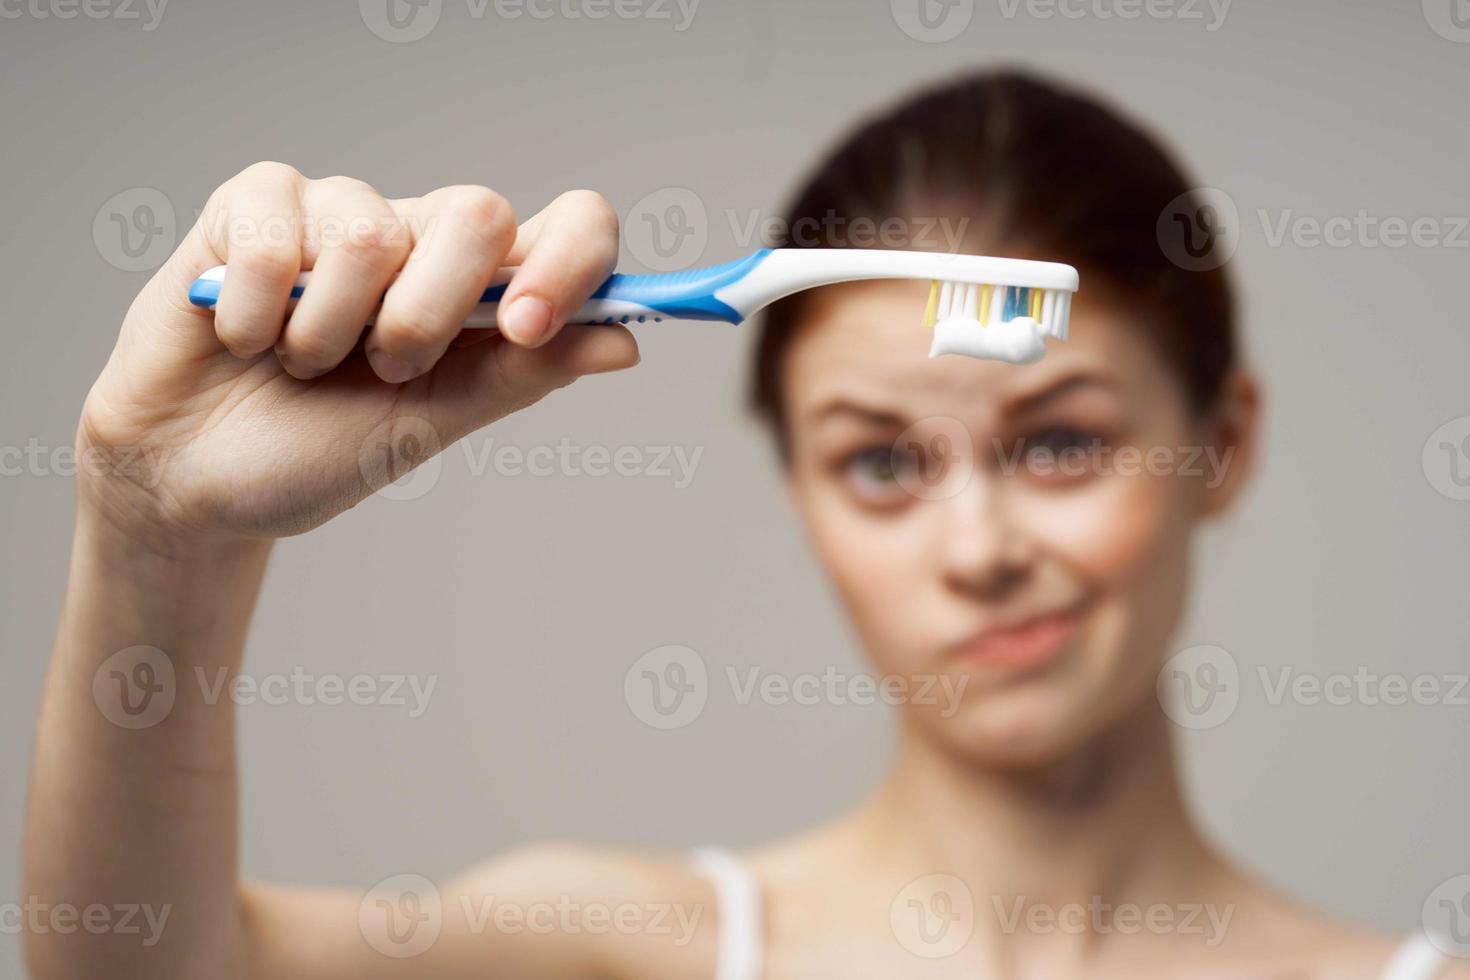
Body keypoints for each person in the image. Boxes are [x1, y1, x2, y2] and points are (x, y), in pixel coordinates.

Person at [23, 70, 1463, 980]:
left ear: (1223, 445)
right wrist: (158, 539)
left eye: (1061, 441)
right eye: (880, 464)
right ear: (794, 485)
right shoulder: (614, 946)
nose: (976, 548)